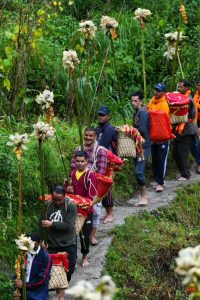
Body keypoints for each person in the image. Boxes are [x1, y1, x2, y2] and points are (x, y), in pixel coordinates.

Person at [70, 127, 107, 245]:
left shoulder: (100, 150)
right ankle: (78, 234)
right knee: (76, 211)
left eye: (91, 136)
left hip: (93, 185)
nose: (88, 138)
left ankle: (91, 235)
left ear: (95, 137)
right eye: (86, 135)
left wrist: (88, 174)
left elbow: (101, 171)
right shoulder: (78, 149)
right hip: (78, 184)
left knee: (94, 212)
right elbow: (72, 165)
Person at [41, 185, 77, 300]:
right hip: (51, 244)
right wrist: (41, 240)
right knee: (53, 270)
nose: (57, 202)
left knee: (68, 269)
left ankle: (61, 291)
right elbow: (40, 223)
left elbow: (69, 225)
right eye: (54, 199)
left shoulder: (71, 206)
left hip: (67, 243)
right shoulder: (47, 205)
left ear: (64, 197)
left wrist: (52, 224)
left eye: (59, 200)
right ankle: (60, 294)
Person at [68, 150, 97, 267]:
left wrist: (83, 202)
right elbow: (66, 190)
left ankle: (84, 257)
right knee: (72, 235)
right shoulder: (71, 174)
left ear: (86, 162)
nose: (79, 163)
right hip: (73, 209)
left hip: (85, 210)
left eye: (82, 161)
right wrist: (68, 190)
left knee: (84, 235)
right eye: (77, 161)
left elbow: (91, 195)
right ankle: (73, 258)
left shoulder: (90, 175)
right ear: (75, 161)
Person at [14, 232, 52, 300]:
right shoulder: (23, 254)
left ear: (38, 243)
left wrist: (24, 285)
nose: (29, 245)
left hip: (38, 296)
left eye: (32, 243)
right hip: (23, 294)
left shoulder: (45, 257)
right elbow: (17, 273)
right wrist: (16, 287)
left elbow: (42, 279)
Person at [95, 106, 117, 222]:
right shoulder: (98, 128)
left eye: (103, 115)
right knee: (101, 186)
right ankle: (107, 212)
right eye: (99, 114)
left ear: (108, 116)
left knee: (106, 187)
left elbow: (101, 145)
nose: (100, 117)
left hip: (109, 162)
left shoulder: (109, 129)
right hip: (100, 161)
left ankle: (110, 213)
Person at [147, 83, 170, 192]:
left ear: (163, 93)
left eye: (158, 90)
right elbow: (148, 113)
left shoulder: (164, 104)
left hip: (162, 137)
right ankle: (157, 180)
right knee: (155, 160)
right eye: (155, 89)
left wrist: (150, 113)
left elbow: (159, 116)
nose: (155, 91)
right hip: (153, 136)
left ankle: (161, 182)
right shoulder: (152, 101)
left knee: (161, 160)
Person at [173, 79, 197, 180]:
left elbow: (184, 114)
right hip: (178, 129)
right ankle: (183, 172)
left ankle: (186, 175)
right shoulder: (181, 97)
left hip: (186, 130)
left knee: (183, 153)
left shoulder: (188, 100)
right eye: (178, 86)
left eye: (181, 87)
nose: (179, 88)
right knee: (176, 152)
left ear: (186, 88)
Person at [131, 91, 151, 205]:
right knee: (137, 171)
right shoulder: (136, 113)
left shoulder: (142, 113)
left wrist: (130, 130)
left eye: (135, 101)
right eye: (132, 101)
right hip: (137, 145)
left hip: (144, 146)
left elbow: (142, 130)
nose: (133, 103)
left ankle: (144, 196)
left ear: (141, 101)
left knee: (139, 172)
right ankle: (142, 195)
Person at [192, 79, 200, 173]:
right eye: (198, 85)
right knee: (192, 143)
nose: (198, 87)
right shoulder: (195, 95)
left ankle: (199, 164)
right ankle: (197, 160)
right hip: (195, 121)